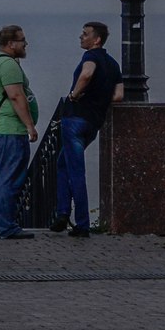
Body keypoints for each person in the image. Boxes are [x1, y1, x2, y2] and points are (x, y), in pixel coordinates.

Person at [51, 21, 124, 238]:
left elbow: (86, 75)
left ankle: (82, 223)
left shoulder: (90, 57)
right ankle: (63, 212)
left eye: (85, 34)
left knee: (75, 171)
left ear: (97, 39)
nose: (81, 37)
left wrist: (74, 95)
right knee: (62, 164)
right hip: (93, 123)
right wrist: (99, 100)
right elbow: (119, 96)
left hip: (75, 119)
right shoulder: (113, 65)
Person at [0, 25, 39, 239]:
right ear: (10, 44)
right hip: (9, 130)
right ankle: (6, 226)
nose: (26, 44)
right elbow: (16, 96)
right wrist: (29, 125)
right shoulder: (8, 65)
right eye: (22, 40)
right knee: (8, 178)